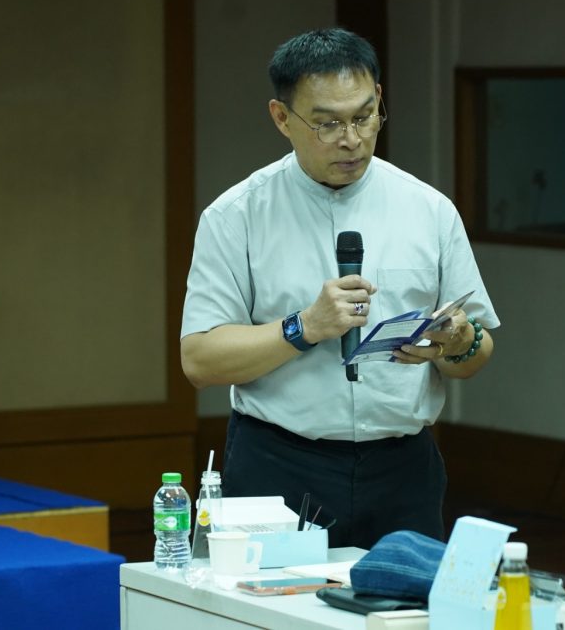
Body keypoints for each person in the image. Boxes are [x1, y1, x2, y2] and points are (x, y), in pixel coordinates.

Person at [180, 28, 499, 549]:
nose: (351, 139)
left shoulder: (429, 210)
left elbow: (476, 353)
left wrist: (459, 341)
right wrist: (304, 327)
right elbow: (199, 360)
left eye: (363, 116)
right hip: (280, 465)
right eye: (327, 123)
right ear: (282, 118)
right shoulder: (236, 216)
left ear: (379, 100)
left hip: (403, 469)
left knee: (405, 599)